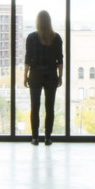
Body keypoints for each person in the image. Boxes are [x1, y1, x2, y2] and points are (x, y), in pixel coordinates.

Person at [23, 10, 64, 145]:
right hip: (51, 74)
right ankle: (48, 137)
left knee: (35, 106)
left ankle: (35, 138)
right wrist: (60, 76)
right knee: (49, 107)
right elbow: (60, 60)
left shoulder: (31, 37)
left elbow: (28, 59)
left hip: (35, 74)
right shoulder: (56, 38)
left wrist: (25, 76)